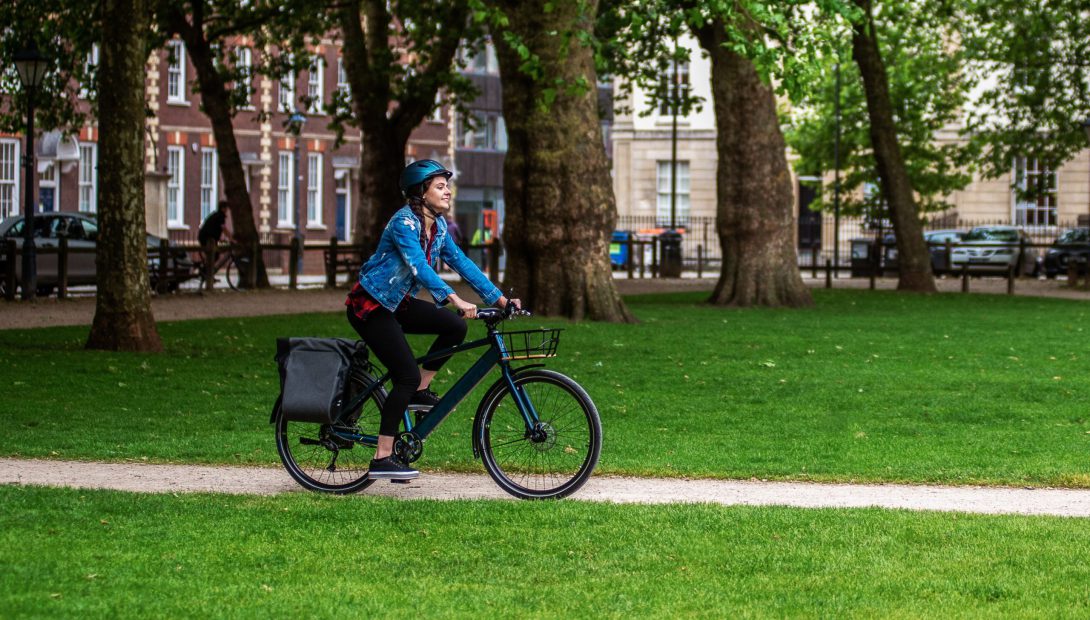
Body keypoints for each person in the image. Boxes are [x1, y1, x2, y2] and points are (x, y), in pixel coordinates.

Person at [345, 159, 519, 481]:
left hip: (397, 303)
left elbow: (463, 263)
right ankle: (382, 456)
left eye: (446, 186)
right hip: (370, 307)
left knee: (454, 326)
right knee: (405, 375)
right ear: (421, 193)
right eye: (440, 186)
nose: (448, 192)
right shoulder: (404, 224)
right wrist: (453, 298)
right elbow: (419, 268)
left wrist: (500, 299)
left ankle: (418, 390)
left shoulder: (438, 229)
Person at [197, 201, 231, 272]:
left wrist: (220, 239)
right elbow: (223, 229)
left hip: (206, 237)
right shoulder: (220, 216)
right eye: (226, 208)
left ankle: (208, 271)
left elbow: (214, 230)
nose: (227, 210)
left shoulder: (216, 215)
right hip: (206, 238)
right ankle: (207, 272)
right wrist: (232, 238)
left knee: (214, 255)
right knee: (214, 255)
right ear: (223, 208)